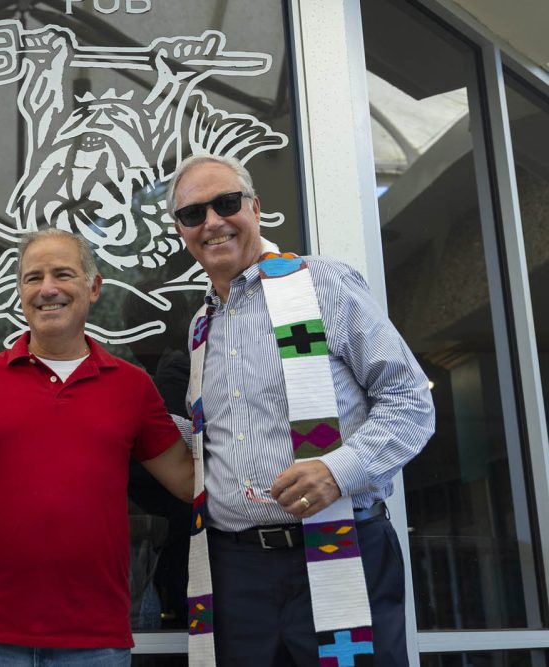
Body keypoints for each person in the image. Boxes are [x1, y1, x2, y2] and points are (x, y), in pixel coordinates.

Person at [167, 154, 435, 666]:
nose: (213, 223)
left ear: (256, 208)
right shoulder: (202, 327)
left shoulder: (322, 283)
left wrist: (338, 471)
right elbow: (214, 443)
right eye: (193, 214)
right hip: (236, 571)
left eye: (226, 204)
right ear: (182, 230)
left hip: (339, 551)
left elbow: (410, 398)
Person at [0, 228, 194, 666]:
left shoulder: (132, 387)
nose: (47, 289)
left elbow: (190, 480)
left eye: (63, 274)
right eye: (32, 277)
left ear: (93, 288)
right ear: (20, 290)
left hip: (95, 639)